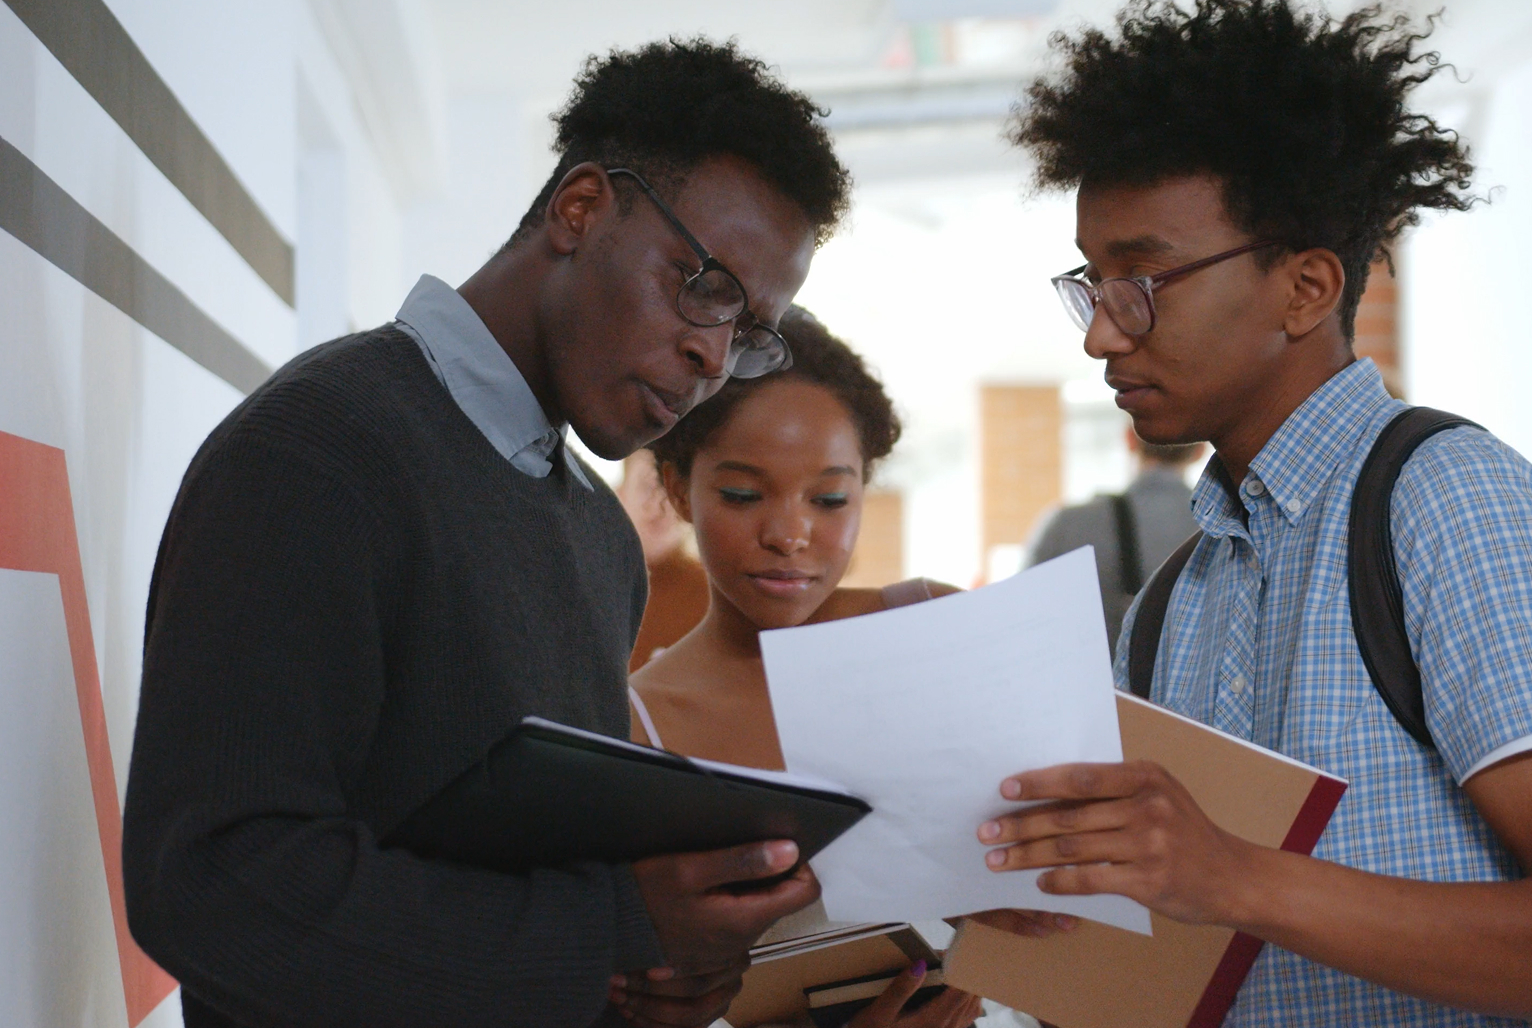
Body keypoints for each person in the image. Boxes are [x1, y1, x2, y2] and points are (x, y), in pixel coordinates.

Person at [970, 3, 1532, 1026]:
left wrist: (1237, 876)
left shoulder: (1451, 503)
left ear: (1305, 288)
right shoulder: (1175, 597)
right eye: (1093, 286)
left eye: (1143, 283)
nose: (1102, 337)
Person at [122, 40, 850, 1028]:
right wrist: (609, 928)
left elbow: (530, 910)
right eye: (704, 285)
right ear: (580, 208)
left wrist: (650, 979)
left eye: (750, 332)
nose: (711, 354)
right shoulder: (320, 448)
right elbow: (212, 884)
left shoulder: (599, 537)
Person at [632, 308, 983, 1028]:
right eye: (743, 494)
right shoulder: (636, 723)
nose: (790, 534)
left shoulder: (937, 630)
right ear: (676, 489)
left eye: (829, 499)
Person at [1025, 429, 1205, 650]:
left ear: (1129, 439)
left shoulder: (1067, 525)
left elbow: (1024, 621)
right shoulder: (1223, 527)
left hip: (1090, 682)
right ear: (1200, 450)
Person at [618, 448, 711, 670]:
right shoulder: (592, 586)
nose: (658, 505)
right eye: (648, 487)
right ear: (619, 493)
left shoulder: (713, 595)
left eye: (668, 490)